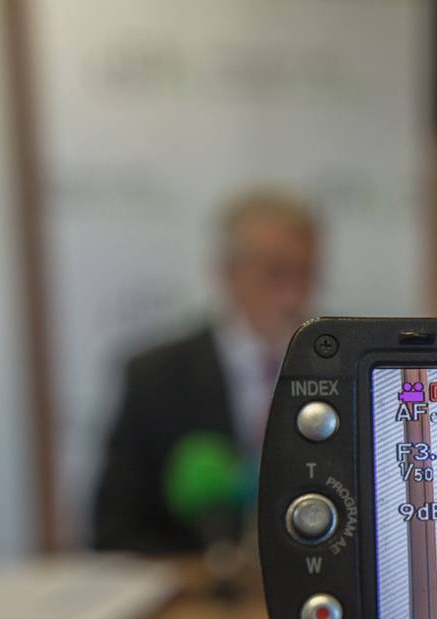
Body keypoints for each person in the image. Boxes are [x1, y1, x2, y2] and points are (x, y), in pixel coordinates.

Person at [92, 189, 321, 554]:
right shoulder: (153, 375)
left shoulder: (340, 369)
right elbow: (115, 532)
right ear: (228, 275)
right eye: (275, 274)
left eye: (307, 274)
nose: (295, 296)